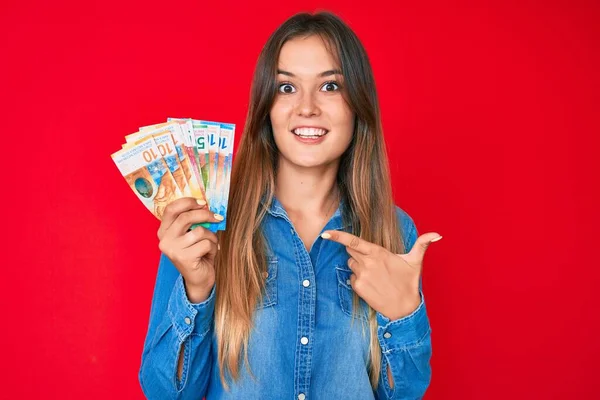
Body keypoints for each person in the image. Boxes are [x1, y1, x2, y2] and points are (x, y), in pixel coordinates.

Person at [138, 11, 441, 400]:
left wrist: (403, 316)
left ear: (358, 106)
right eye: (286, 88)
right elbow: (166, 394)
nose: (307, 107)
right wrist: (197, 291)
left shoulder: (394, 232)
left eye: (330, 86)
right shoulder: (207, 221)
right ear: (267, 107)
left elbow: (402, 394)